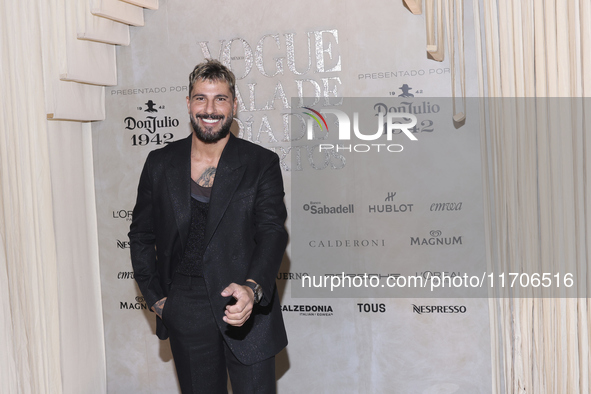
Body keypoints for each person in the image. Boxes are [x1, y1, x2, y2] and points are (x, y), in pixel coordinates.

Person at [129, 59, 288, 394]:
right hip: (185, 304)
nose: (210, 108)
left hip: (244, 302)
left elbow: (273, 232)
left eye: (220, 98)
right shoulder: (160, 164)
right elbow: (141, 235)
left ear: (233, 105)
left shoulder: (261, 163)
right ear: (188, 104)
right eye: (201, 98)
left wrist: (252, 288)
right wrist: (159, 300)